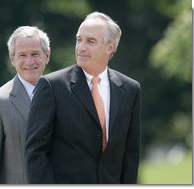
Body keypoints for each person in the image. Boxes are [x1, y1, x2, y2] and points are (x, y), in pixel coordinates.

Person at [25, 11, 141, 184]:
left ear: (110, 47)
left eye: (90, 41)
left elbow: (130, 154)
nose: (81, 47)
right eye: (79, 40)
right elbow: (36, 152)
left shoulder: (131, 89)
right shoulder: (51, 86)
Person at [0, 26, 50, 184]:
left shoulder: (62, 95)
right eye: (22, 55)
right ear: (12, 59)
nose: (29, 61)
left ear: (47, 56)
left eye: (35, 54)